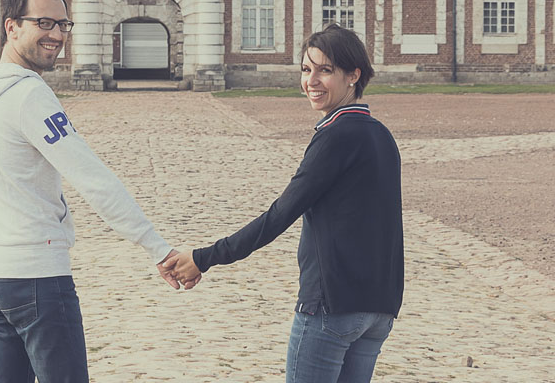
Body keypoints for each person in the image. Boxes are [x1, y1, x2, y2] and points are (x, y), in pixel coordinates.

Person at [0, 0, 185, 383]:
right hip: (35, 276)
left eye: (63, 25)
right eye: (44, 23)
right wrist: (157, 247)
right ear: (12, 27)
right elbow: (93, 178)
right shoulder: (29, 96)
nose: (57, 35)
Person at [162, 23, 403, 383]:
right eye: (307, 70)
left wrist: (204, 257)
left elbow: (279, 215)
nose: (312, 81)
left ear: (354, 75)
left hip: (331, 305)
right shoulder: (381, 135)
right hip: (377, 308)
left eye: (325, 70)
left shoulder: (336, 137)